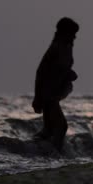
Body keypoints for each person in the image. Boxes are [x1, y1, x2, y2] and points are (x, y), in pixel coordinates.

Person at [32, 17, 79, 151]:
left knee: (49, 130)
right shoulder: (56, 47)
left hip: (55, 93)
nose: (75, 37)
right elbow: (41, 72)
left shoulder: (66, 47)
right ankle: (54, 154)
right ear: (64, 33)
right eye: (72, 33)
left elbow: (62, 69)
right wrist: (37, 97)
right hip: (48, 93)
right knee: (60, 127)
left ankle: (42, 153)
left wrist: (69, 73)